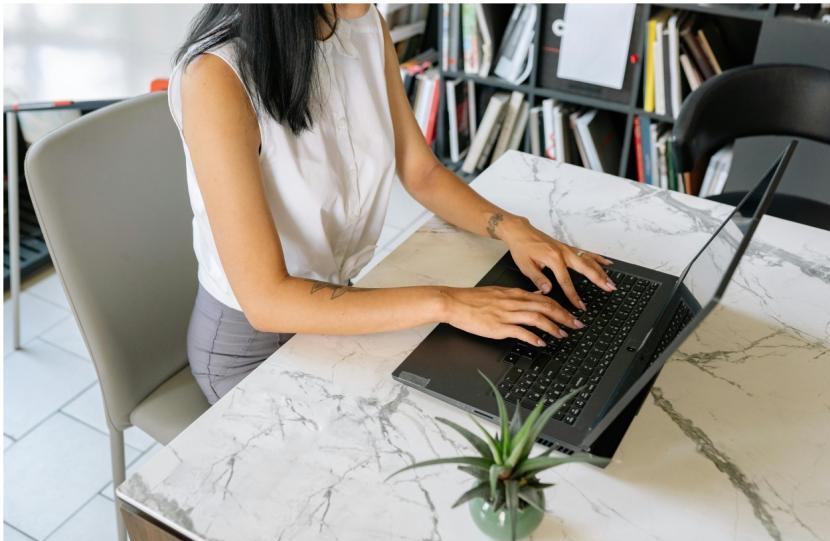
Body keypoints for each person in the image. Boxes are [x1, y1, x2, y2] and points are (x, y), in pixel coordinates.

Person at [170, 4, 616, 404]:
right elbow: (267, 302)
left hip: (340, 306)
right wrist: (450, 303)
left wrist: (513, 228)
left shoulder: (363, 24)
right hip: (251, 349)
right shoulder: (216, 77)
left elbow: (420, 172)